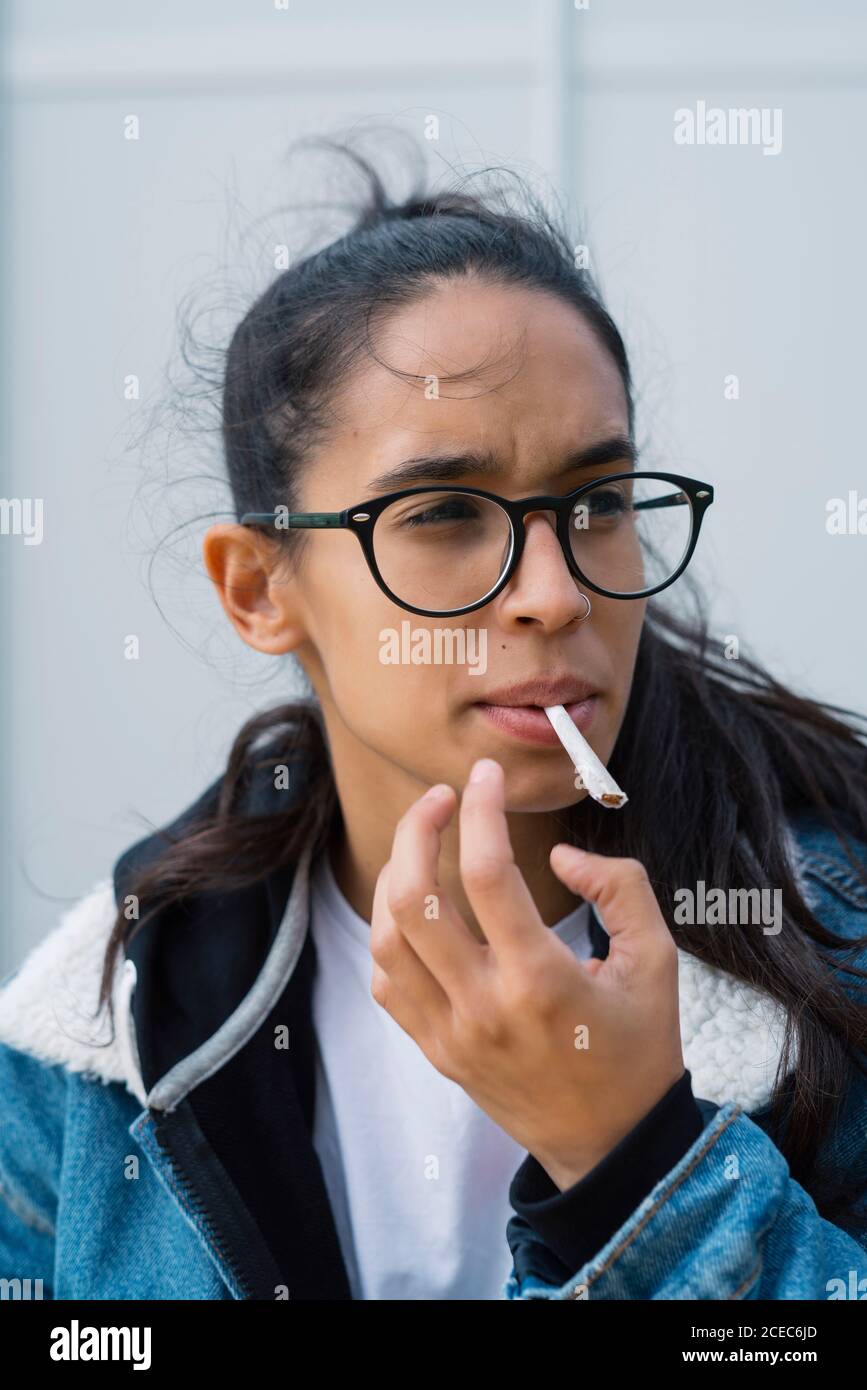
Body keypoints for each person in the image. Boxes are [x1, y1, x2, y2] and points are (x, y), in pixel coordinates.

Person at [2, 142, 867, 1302]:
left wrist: (634, 1166)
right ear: (260, 587)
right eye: (448, 511)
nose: (556, 592)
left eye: (598, 501)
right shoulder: (95, 1038)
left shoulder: (832, 965)